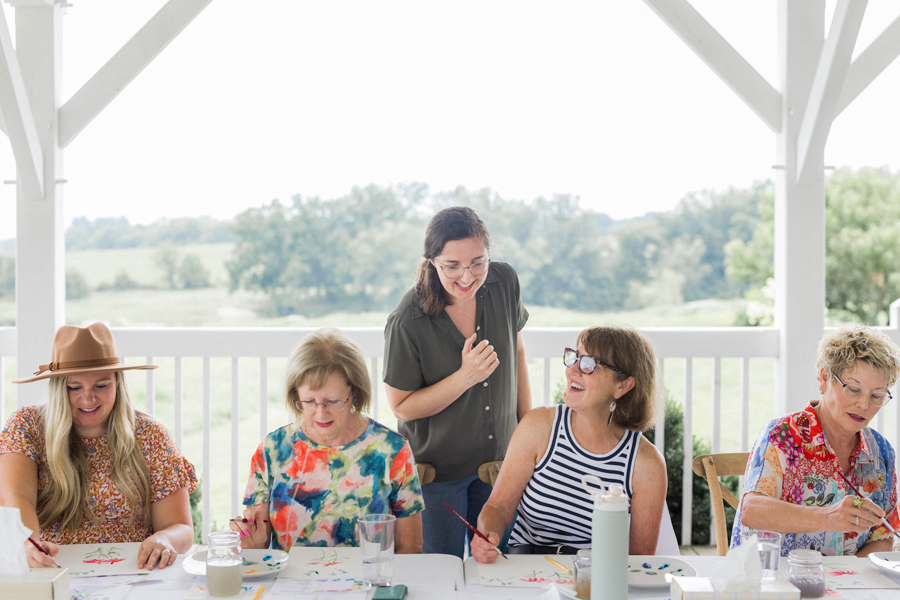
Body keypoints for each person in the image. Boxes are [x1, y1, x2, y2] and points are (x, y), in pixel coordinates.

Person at [382, 206, 531, 558]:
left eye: (478, 262)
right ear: (432, 260)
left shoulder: (504, 282)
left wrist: (526, 433)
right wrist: (465, 378)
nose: (467, 276)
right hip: (437, 476)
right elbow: (401, 405)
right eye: (452, 265)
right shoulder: (408, 318)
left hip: (501, 468)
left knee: (497, 568)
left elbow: (518, 354)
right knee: (440, 573)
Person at [0, 323, 197, 570]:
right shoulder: (27, 426)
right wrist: (29, 544)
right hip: (52, 569)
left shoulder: (150, 435)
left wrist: (165, 539)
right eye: (75, 387)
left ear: (118, 382)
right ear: (59, 387)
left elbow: (181, 528)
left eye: (101, 385)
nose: (89, 398)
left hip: (134, 574)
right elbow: (16, 496)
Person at [471, 325, 667, 561]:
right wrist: (488, 535)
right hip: (528, 566)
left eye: (589, 364)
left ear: (623, 385)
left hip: (597, 574)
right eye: (575, 357)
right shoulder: (539, 426)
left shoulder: (646, 464)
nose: (573, 369)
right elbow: (498, 508)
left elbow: (639, 560)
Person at [233, 328, 424, 552]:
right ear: (295, 395)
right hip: (290, 585)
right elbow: (260, 548)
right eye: (309, 401)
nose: (321, 414)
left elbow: (410, 548)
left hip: (367, 584)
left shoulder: (392, 450)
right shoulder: (272, 451)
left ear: (354, 392)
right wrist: (251, 545)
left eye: (332, 401)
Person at [732, 324, 900, 557]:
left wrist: (845, 578)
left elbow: (884, 535)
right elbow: (751, 511)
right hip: (777, 582)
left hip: (848, 588)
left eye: (877, 395)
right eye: (853, 389)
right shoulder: (783, 436)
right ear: (824, 379)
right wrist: (829, 517)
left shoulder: (882, 452)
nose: (864, 405)